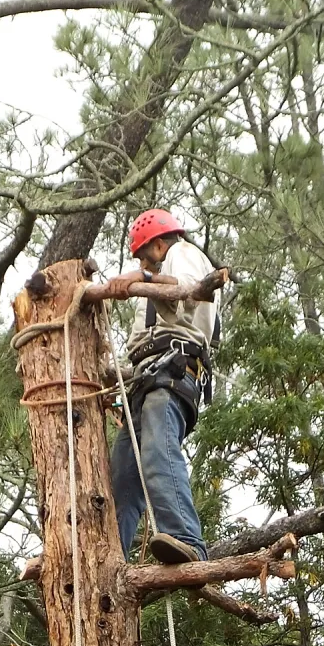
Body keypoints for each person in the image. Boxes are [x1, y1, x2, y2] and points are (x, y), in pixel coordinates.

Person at [102, 208, 219, 564]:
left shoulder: (182, 254)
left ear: (156, 245)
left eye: (143, 256)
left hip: (172, 372)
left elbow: (182, 293)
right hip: (146, 379)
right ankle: (110, 559)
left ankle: (186, 538)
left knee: (157, 452)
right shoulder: (156, 274)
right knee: (121, 479)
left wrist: (139, 277)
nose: (144, 264)